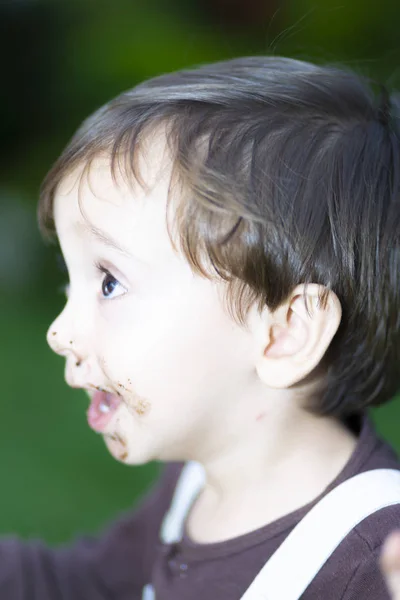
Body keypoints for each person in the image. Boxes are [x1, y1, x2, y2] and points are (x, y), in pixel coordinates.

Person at [4, 55, 400, 599]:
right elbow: (88, 585)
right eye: (67, 281)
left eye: (109, 283)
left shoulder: (369, 563)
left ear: (284, 334)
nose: (58, 331)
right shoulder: (200, 478)